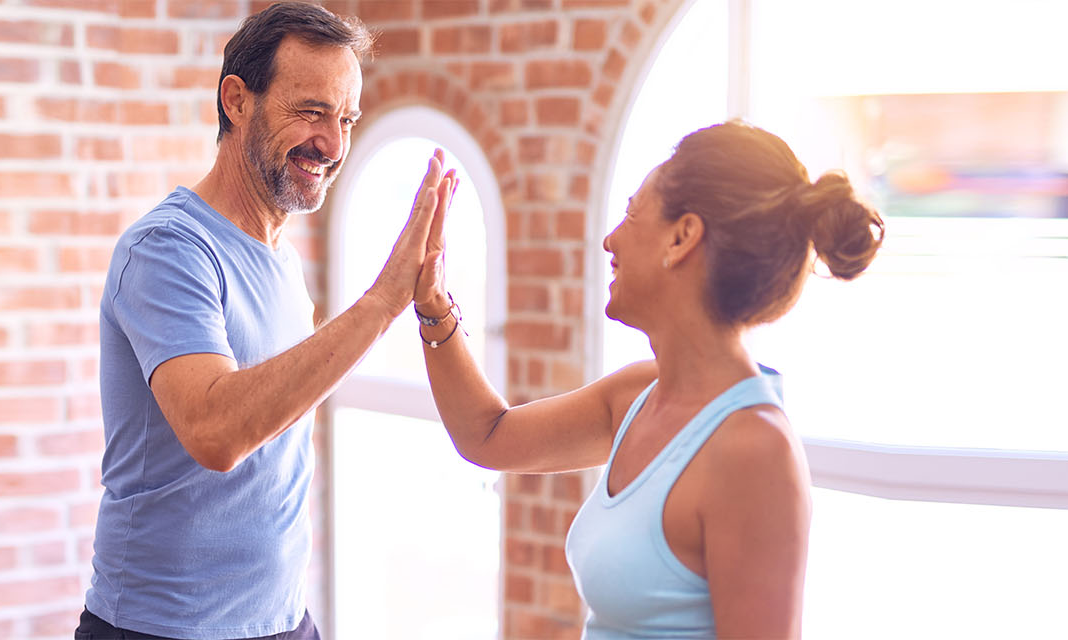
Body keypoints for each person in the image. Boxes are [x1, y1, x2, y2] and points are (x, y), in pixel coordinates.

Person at [412, 121, 884, 639]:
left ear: (682, 238)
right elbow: (488, 435)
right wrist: (431, 302)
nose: (611, 239)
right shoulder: (637, 395)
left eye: (633, 213)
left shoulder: (755, 451)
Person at [80, 3, 458, 639]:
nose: (333, 144)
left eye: (346, 120)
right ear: (237, 100)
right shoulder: (169, 249)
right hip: (162, 629)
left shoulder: (279, 260)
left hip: (281, 623)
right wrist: (381, 303)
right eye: (311, 112)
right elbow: (216, 431)